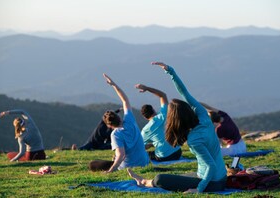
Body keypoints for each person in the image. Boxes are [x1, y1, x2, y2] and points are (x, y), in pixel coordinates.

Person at [127, 62, 227, 193]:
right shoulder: (203, 116)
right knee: (182, 177)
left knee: (160, 179)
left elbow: (211, 166)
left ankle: (144, 182)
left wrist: (198, 189)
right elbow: (184, 92)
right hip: (219, 176)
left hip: (213, 183)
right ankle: (149, 181)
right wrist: (170, 72)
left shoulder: (194, 139)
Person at [89, 73, 150, 173]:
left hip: (130, 167)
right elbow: (125, 100)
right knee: (113, 158)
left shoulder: (116, 134)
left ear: (109, 125)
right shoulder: (130, 120)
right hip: (145, 163)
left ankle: (112, 165)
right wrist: (114, 85)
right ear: (119, 118)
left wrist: (110, 171)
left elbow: (121, 155)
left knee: (93, 164)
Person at [135, 84, 182, 161]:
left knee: (146, 154)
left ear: (144, 117)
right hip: (177, 152)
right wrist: (147, 88)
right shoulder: (164, 115)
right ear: (153, 110)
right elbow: (162, 95)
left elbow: (140, 147)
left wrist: (150, 144)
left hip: (165, 157)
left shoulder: (145, 130)